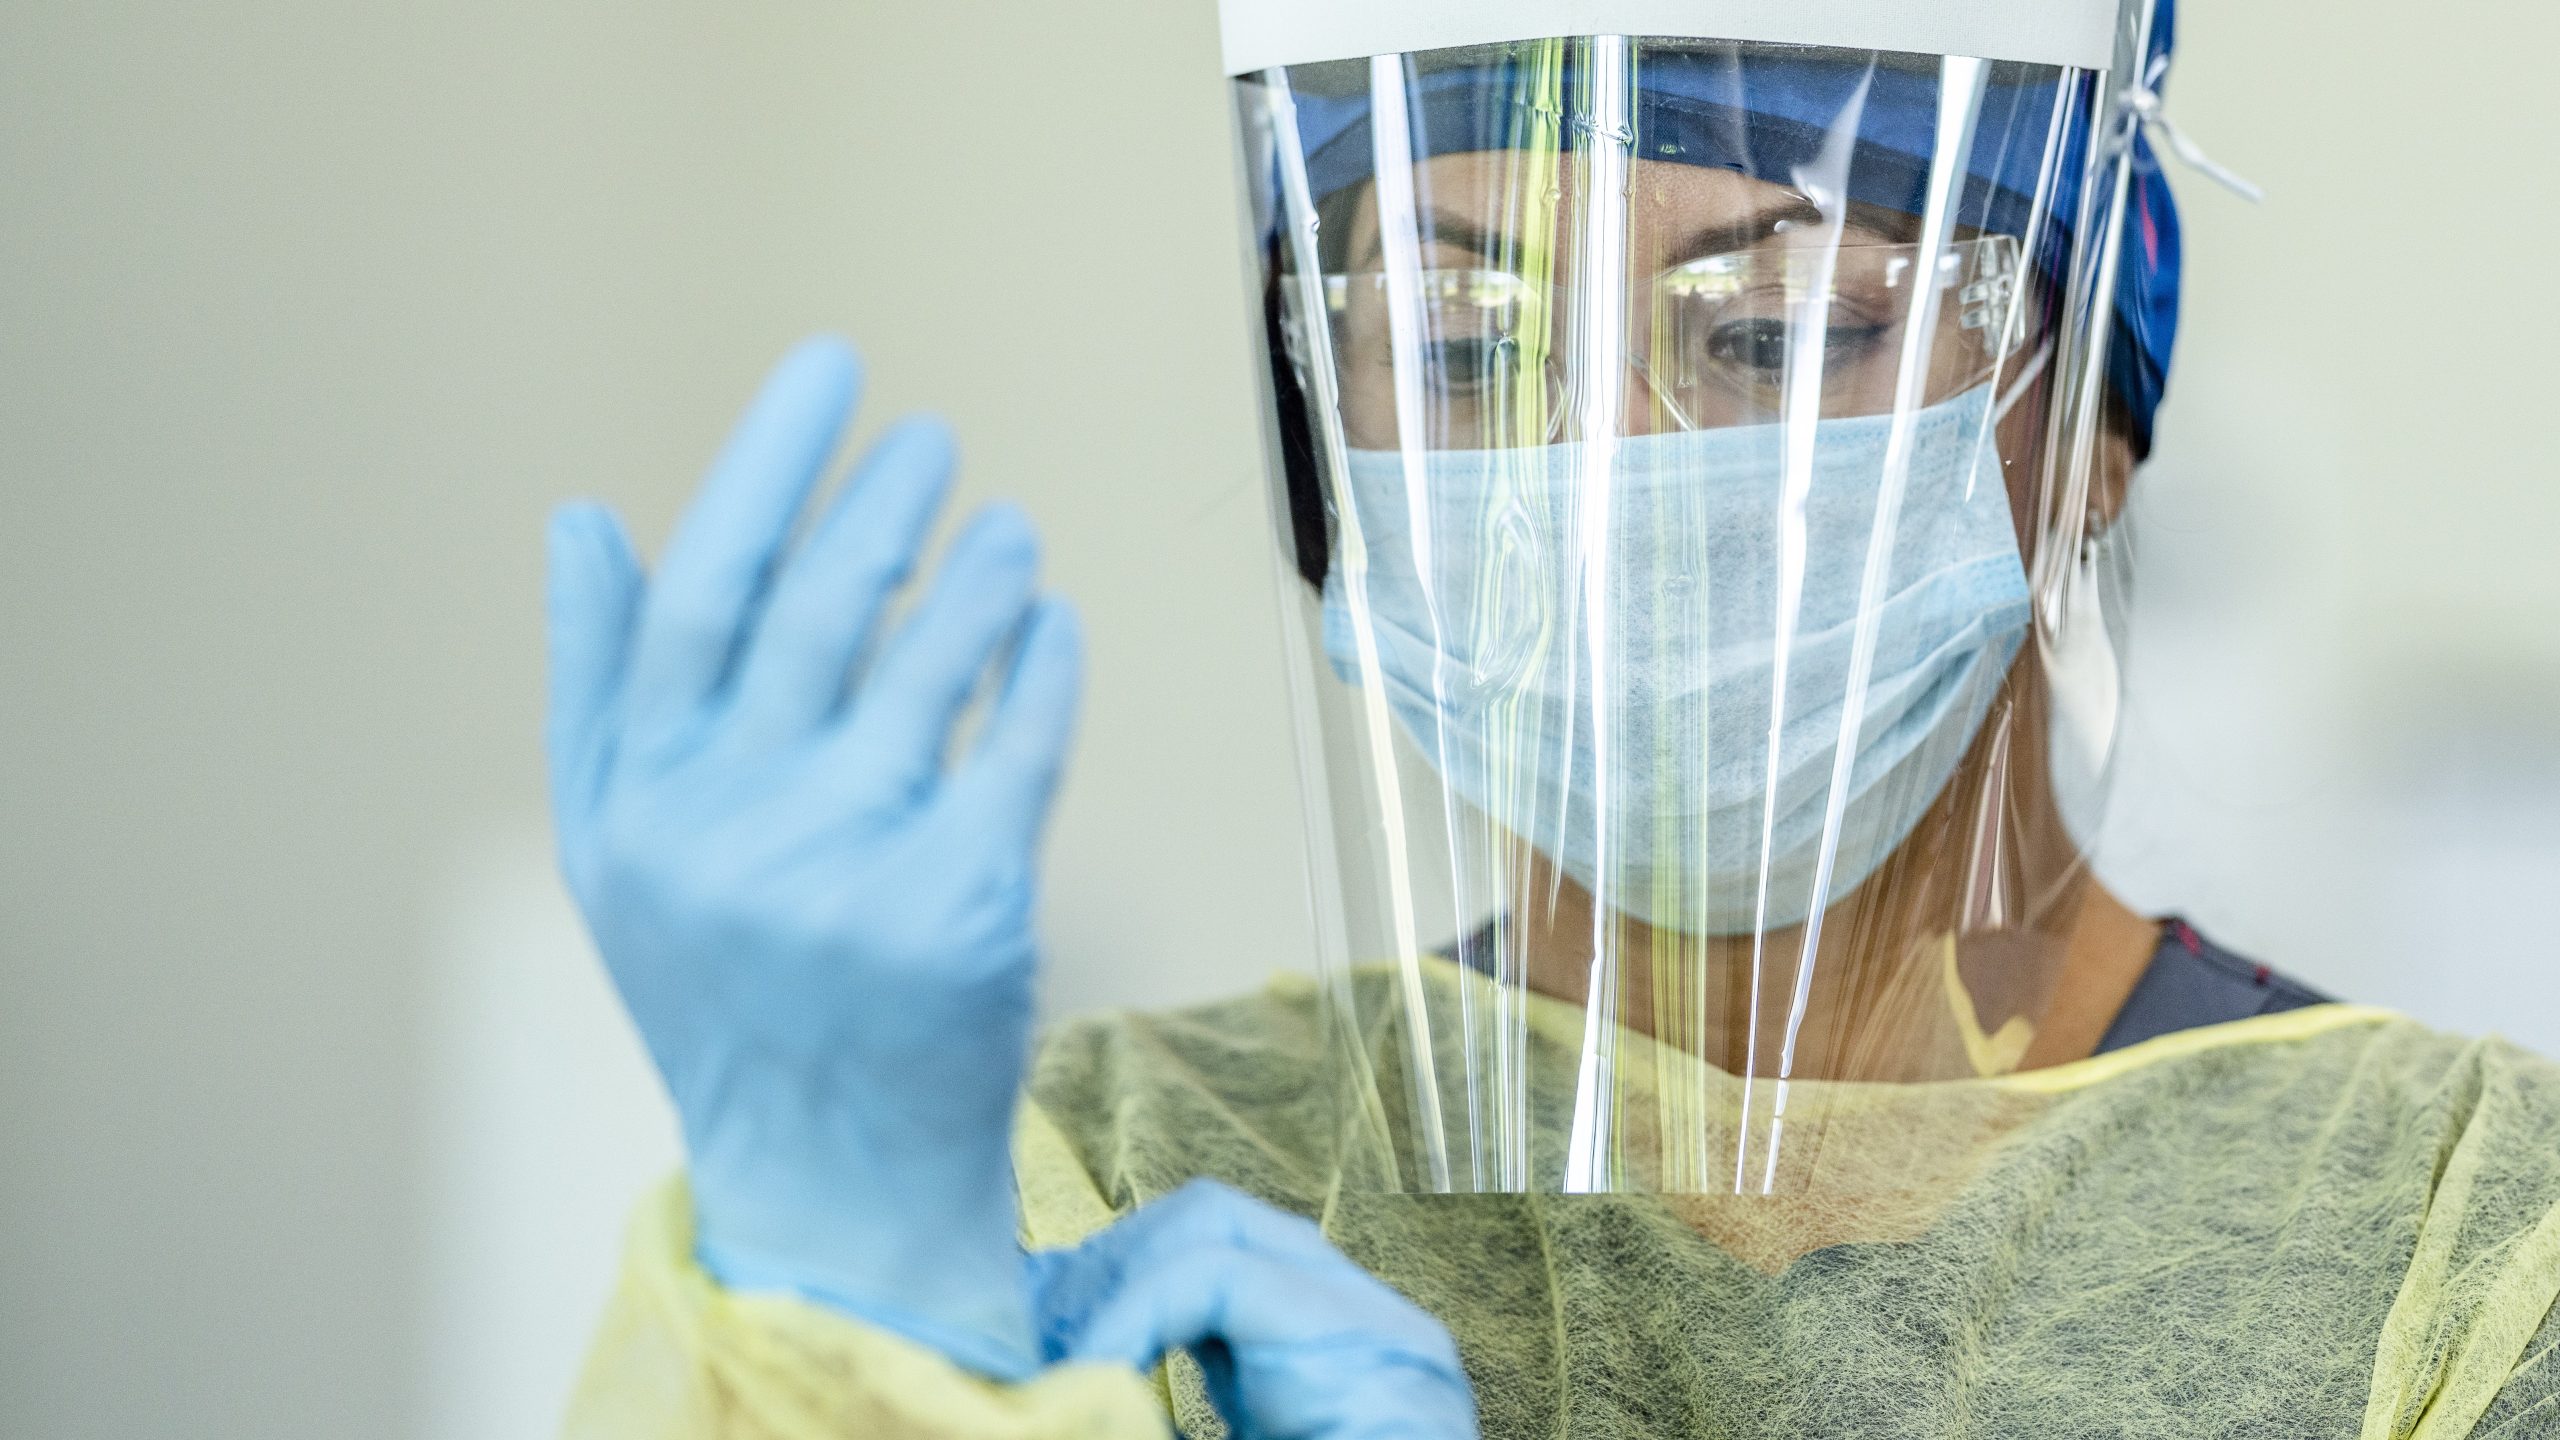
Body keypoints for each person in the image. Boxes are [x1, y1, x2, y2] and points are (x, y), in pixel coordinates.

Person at [552, 5, 2560, 1437]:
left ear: (2090, 422)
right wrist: (822, 1309)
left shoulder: (2460, 1258)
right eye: (1449, 346)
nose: (1591, 462)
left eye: (1783, 330)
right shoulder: (1098, 1193)